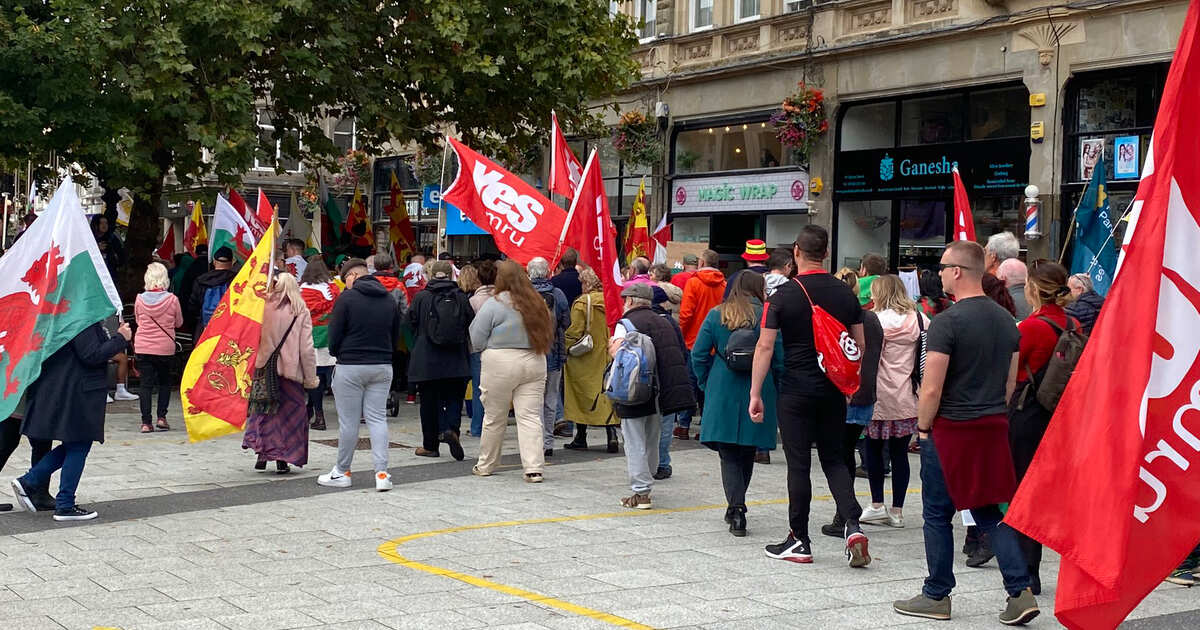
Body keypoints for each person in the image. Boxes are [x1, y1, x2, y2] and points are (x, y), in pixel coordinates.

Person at [892, 240, 1039, 625]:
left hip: (952, 430)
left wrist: (922, 428)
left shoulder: (947, 322)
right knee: (990, 510)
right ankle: (1019, 591)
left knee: (937, 514)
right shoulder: (1007, 321)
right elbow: (1010, 383)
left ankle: (936, 594)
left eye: (942, 267)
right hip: (992, 425)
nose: (938, 273)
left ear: (957, 271)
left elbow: (932, 387)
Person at [749, 225, 870, 567]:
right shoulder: (847, 294)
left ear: (797, 253)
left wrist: (756, 392)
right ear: (827, 254)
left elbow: (765, 346)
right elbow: (859, 346)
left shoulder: (783, 296)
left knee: (799, 464)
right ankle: (852, 525)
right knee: (834, 458)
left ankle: (799, 540)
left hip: (796, 390)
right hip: (832, 389)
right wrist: (849, 384)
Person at [11, 320, 132, 521]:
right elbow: (92, 355)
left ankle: (31, 482)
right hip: (79, 391)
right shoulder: (82, 320)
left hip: (71, 389)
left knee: (75, 444)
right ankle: (63, 503)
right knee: (79, 444)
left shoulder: (68, 316)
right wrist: (121, 338)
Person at [691, 272, 783, 536]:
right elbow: (778, 358)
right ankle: (737, 505)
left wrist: (706, 384)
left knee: (728, 452)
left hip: (722, 384)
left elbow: (698, 355)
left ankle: (736, 508)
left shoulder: (717, 314)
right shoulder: (767, 316)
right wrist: (776, 387)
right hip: (759, 386)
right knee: (747, 450)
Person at [1008, 261, 1076, 596]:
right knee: (1049, 489)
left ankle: (1027, 570)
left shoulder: (1031, 327)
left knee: (1023, 490)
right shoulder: (1076, 323)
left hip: (1027, 414)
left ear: (1034, 288)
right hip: (1062, 415)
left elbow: (1011, 374)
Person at [609, 283, 697, 509]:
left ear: (629, 301)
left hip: (634, 390)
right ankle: (646, 482)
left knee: (634, 440)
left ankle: (641, 492)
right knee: (651, 440)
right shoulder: (665, 321)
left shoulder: (626, 324)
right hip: (661, 392)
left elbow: (618, 357)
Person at [317, 258, 402, 492]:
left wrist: (338, 353)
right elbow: (395, 334)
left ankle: (342, 472)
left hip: (351, 365)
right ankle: (382, 474)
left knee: (349, 422)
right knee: (377, 419)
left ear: (353, 275)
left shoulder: (347, 298)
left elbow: (334, 334)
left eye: (346, 280)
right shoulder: (389, 298)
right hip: (382, 365)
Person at [469, 261, 553, 482]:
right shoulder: (537, 302)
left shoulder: (494, 303)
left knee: (495, 416)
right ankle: (534, 467)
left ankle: (486, 464)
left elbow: (477, 337)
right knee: (530, 417)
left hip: (500, 361)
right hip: (535, 360)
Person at [861, 275, 928, 529]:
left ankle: (877, 504)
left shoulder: (874, 321)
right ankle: (898, 511)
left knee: (874, 451)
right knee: (900, 455)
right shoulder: (920, 319)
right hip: (908, 396)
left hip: (877, 396)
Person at [822, 270, 884, 538]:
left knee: (838, 455)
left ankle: (845, 512)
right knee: (846, 451)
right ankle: (845, 511)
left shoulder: (835, 319)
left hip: (842, 394)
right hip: (865, 393)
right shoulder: (871, 319)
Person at [243, 273, 318, 474]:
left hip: (264, 369)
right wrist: (311, 378)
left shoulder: (262, 308)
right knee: (290, 416)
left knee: (264, 412)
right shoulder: (300, 311)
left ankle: (262, 452)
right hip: (290, 373)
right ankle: (282, 458)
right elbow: (306, 349)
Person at [408, 260, 473, 460]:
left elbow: (410, 322)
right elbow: (470, 321)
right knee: (454, 397)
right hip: (456, 358)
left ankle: (430, 445)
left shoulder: (422, 297)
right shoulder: (461, 297)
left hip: (427, 359)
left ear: (430, 275)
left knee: (429, 402)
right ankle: (451, 429)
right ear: (451, 275)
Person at [563, 269, 619, 452]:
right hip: (608, 353)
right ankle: (612, 435)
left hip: (586, 357)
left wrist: (566, 347)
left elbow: (575, 331)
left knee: (581, 394)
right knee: (606, 392)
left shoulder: (582, 302)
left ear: (587, 283)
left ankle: (581, 436)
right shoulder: (612, 301)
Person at [133, 262, 183, 433]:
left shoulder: (139, 299)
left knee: (145, 385)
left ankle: (146, 422)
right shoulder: (172, 300)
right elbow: (179, 322)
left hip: (143, 346)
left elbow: (138, 321)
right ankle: (162, 417)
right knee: (164, 382)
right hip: (164, 347)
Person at [529, 257, 570, 456]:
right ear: (547, 272)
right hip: (554, 351)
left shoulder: (523, 294)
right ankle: (547, 443)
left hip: (529, 352)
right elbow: (566, 322)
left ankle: (534, 440)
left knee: (531, 399)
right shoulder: (558, 294)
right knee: (551, 399)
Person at [300, 258, 341, 431]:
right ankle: (312, 410)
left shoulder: (302, 290)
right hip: (332, 335)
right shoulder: (334, 288)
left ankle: (319, 416)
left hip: (311, 337)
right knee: (329, 377)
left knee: (313, 379)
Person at [467, 260, 497, 437]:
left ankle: (477, 427)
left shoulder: (473, 301)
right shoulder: (501, 298)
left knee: (480, 388)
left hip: (478, 349)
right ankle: (493, 426)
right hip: (499, 348)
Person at [679, 249, 726, 349]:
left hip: (694, 340)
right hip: (716, 342)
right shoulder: (724, 285)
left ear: (702, 262)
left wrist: (681, 334)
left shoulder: (693, 283)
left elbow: (686, 314)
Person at [188, 246, 237, 338]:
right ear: (232, 262)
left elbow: (193, 307)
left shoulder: (201, 280)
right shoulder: (237, 280)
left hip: (205, 329)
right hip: (229, 331)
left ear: (214, 262)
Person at [91, 215, 126, 281]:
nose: (104, 225)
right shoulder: (90, 238)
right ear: (96, 224)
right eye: (101, 223)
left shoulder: (112, 238)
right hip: (94, 273)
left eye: (106, 223)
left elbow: (120, 253)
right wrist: (96, 248)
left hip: (111, 272)